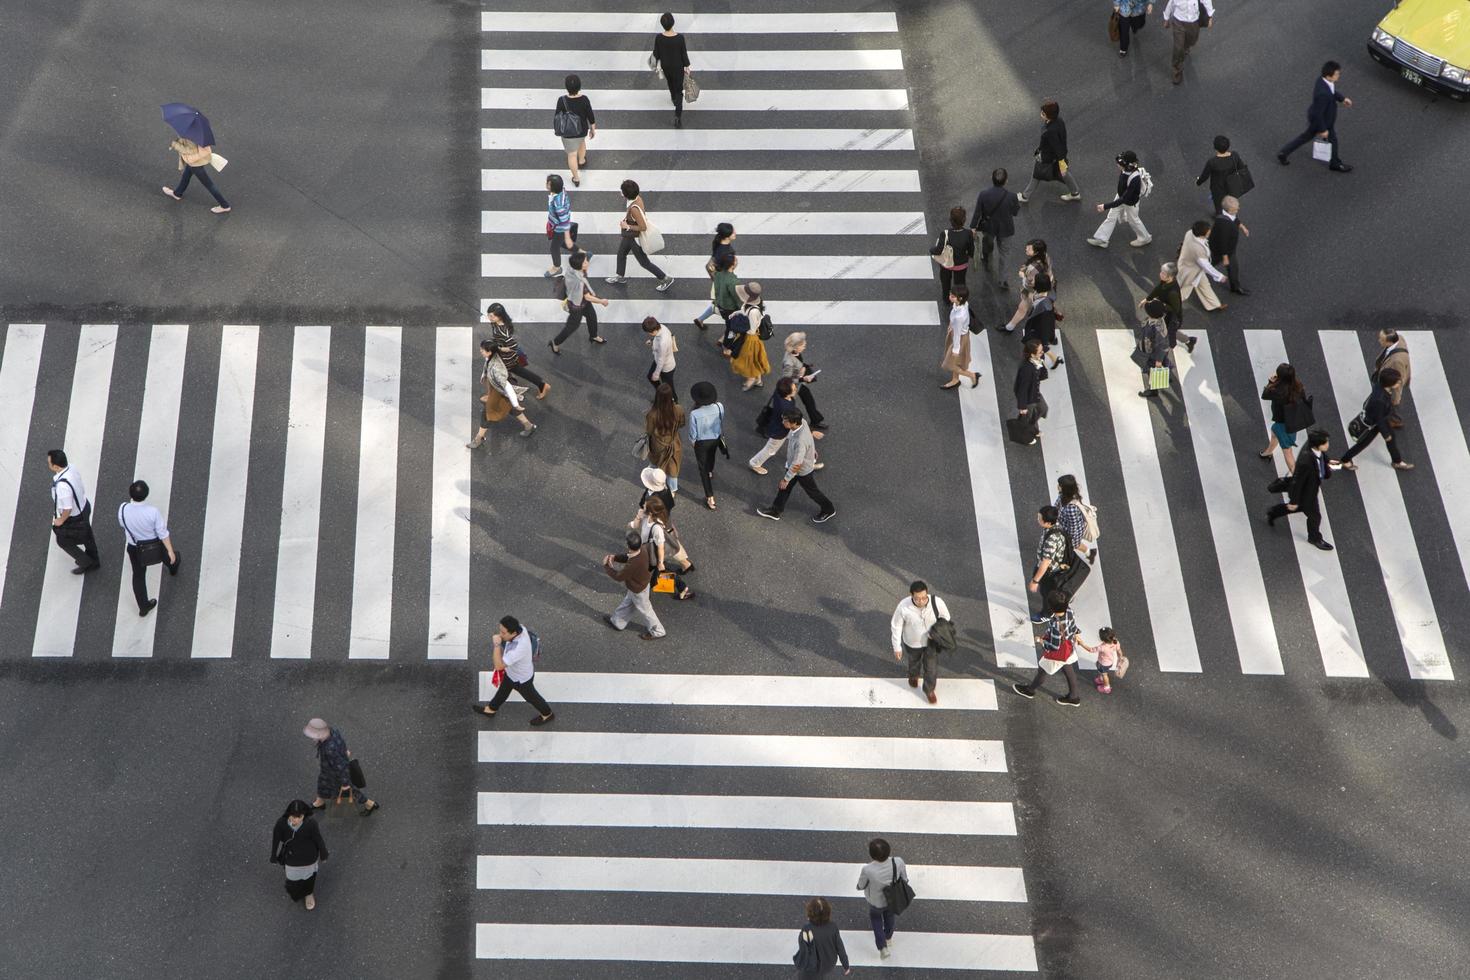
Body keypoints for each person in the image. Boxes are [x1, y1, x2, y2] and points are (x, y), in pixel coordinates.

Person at [756, 411, 835, 524]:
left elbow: (797, 464)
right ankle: (775, 511)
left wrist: (786, 479)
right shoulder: (802, 422)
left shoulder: (800, 441)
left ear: (793, 423)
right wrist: (811, 449)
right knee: (784, 489)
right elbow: (808, 436)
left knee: (812, 492)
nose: (783, 422)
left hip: (801, 471)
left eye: (785, 421)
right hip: (797, 468)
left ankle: (829, 509)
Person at [475, 616, 556, 724]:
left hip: (521, 680)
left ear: (513, 634)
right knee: (503, 691)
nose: (500, 634)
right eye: (500, 630)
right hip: (511, 673)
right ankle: (491, 709)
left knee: (532, 698)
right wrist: (502, 638)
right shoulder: (520, 628)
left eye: (503, 633)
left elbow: (499, 666)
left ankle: (547, 714)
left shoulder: (519, 649)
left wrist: (497, 645)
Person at [117, 479, 180, 617]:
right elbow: (162, 533)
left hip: (135, 547)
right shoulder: (153, 512)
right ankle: (173, 568)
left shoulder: (122, 509)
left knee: (138, 576)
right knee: (172, 558)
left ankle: (143, 607)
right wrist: (169, 550)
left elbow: (122, 524)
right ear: (146, 494)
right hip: (154, 545)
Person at [1278, 61, 1354, 172]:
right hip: (1322, 121)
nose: (1339, 76)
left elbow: (1332, 92)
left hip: (1320, 119)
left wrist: (1342, 99)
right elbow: (1318, 113)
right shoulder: (1323, 94)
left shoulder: (1323, 81)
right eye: (1337, 74)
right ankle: (1335, 163)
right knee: (1332, 139)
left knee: (1305, 137)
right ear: (1329, 76)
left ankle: (1283, 153)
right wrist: (1323, 129)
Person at [1012, 590, 1083, 706]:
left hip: (1057, 654)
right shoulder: (1070, 611)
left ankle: (1030, 690)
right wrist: (1077, 633)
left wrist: (1041, 641)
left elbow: (1054, 646)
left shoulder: (1056, 624)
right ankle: (1073, 697)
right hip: (1068, 647)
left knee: (1042, 671)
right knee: (1069, 670)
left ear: (1051, 607)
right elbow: (1073, 626)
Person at [1267, 429, 1334, 550]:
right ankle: (1314, 538)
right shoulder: (1306, 461)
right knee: (1315, 516)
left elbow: (1322, 457)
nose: (1328, 445)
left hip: (1310, 489)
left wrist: (1328, 463)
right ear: (1318, 445)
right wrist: (1293, 500)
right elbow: (1297, 482)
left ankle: (1274, 511)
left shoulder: (1315, 450)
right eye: (1325, 443)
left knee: (1300, 507)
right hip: (1306, 492)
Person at [1337, 367, 1413, 472]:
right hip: (1373, 424)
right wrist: (1386, 435)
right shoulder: (1380, 400)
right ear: (1389, 384)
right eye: (1397, 382)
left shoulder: (1380, 386)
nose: (1399, 383)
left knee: (1391, 438)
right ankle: (1345, 459)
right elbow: (1379, 419)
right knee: (1363, 444)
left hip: (1379, 418)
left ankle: (1397, 461)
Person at [891, 580, 952, 704]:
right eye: (917, 599)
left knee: (931, 668)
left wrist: (936, 631)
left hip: (931, 643)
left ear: (927, 594)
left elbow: (946, 617)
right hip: (912, 643)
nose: (921, 601)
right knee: (914, 662)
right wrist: (897, 646)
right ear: (911, 595)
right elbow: (896, 626)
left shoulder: (937, 602)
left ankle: (929, 689)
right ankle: (913, 675)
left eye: (924, 598)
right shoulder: (903, 606)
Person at [606, 180, 675, 290]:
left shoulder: (634, 209)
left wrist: (627, 226)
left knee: (644, 263)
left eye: (622, 191)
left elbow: (643, 227)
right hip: (629, 236)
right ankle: (620, 276)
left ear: (626, 194)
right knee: (621, 253)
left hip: (635, 238)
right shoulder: (637, 198)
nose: (621, 192)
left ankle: (665, 278)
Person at [467, 340, 536, 447]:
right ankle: (528, 426)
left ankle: (479, 439)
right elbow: (496, 349)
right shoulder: (493, 354)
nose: (480, 351)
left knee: (486, 413)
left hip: (502, 390)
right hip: (498, 388)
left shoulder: (496, 369)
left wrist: (516, 403)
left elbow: (507, 387)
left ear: (489, 352)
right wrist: (484, 375)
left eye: (482, 350)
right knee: (509, 407)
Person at [303, 718, 380, 814]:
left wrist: (345, 783)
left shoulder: (329, 750)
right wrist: (344, 751)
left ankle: (369, 804)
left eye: (313, 736)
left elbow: (341, 767)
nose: (312, 738)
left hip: (335, 774)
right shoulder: (332, 732)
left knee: (350, 791)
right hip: (327, 770)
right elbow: (341, 742)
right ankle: (320, 801)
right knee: (322, 784)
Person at [603, 530, 667, 639]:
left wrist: (606, 566)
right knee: (628, 603)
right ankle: (617, 622)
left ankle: (658, 631)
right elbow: (629, 556)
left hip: (638, 589)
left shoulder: (633, 564)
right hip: (642, 584)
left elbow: (619, 576)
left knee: (646, 610)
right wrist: (615, 557)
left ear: (629, 546)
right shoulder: (643, 549)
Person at [47, 449, 100, 573]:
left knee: (62, 541)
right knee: (87, 534)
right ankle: (94, 559)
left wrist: (61, 520)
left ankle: (86, 562)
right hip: (84, 506)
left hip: (75, 517)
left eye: (49, 463)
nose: (48, 464)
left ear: (55, 466)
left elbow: (68, 508)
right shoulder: (72, 468)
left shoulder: (62, 486)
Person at [1018, 100, 1081, 203]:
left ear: (1049, 115)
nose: (1041, 114)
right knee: (1063, 173)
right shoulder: (1059, 121)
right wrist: (1062, 160)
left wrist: (1059, 160)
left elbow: (1056, 146)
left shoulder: (1050, 131)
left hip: (1049, 157)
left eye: (1043, 113)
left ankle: (1025, 196)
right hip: (1059, 156)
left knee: (1037, 174)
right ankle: (1075, 193)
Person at [271, 800, 328, 911]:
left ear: (304, 815)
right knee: (292, 880)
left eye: (299, 816)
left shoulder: (311, 824)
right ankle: (300, 891)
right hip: (292, 859)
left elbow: (318, 839)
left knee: (309, 878)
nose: (295, 819)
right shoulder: (281, 824)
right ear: (288, 814)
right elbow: (276, 839)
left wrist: (323, 853)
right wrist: (273, 855)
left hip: (309, 858)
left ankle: (309, 894)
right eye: (293, 816)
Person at [1087, 151, 1151, 248]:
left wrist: (1105, 206)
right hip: (1122, 197)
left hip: (1130, 202)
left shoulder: (1134, 178)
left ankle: (1145, 238)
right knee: (1111, 216)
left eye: (1120, 164)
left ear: (1127, 165)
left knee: (1133, 220)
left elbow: (1125, 198)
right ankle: (1102, 239)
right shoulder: (1126, 169)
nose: (1118, 165)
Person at [486, 303, 550, 399]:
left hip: (506, 358)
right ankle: (541, 384)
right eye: (488, 315)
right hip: (506, 357)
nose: (489, 317)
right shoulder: (499, 323)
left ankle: (493, 396)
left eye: (491, 316)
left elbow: (512, 346)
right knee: (517, 371)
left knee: (495, 374)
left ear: (499, 317)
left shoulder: (503, 332)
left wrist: (498, 347)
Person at [856, 839, 908, 959]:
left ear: (872, 855)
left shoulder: (868, 869)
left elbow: (861, 884)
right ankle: (888, 938)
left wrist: (858, 887)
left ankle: (882, 947)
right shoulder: (898, 862)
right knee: (890, 917)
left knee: (876, 921)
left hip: (875, 901)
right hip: (892, 900)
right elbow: (904, 878)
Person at [970, 168, 1021, 289]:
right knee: (1004, 254)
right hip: (1006, 228)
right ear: (1006, 181)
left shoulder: (983, 194)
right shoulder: (1012, 196)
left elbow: (978, 212)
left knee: (988, 243)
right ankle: (1003, 280)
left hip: (989, 226)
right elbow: (1015, 212)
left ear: (991, 179)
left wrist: (973, 227)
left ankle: (986, 257)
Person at [549, 251, 609, 352]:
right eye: (585, 262)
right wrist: (602, 301)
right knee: (571, 328)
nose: (587, 263)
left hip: (582, 302)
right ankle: (555, 342)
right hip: (576, 307)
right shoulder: (579, 281)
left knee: (592, 318)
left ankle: (593, 336)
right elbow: (588, 297)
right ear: (579, 266)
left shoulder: (572, 268)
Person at [637, 495, 694, 601]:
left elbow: (661, 547)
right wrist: (638, 517)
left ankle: (646, 593)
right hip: (647, 551)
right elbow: (634, 526)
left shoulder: (657, 528)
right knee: (659, 573)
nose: (643, 504)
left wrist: (660, 562)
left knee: (654, 573)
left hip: (651, 554)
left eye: (645, 505)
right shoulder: (645, 516)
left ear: (650, 512)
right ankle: (682, 588)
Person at [1259, 363, 1312, 472]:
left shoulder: (1278, 391)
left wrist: (1270, 382)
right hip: (1291, 421)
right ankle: (1268, 452)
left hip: (1284, 425)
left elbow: (1264, 395)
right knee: (1274, 434)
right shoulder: (1298, 387)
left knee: (1288, 453)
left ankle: (1297, 479)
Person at [1027, 508, 1076, 623]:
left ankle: (1047, 614)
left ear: (1048, 523)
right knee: (1050, 590)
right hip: (1055, 566)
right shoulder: (1057, 526)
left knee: (1047, 594)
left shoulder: (1051, 540)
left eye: (1039, 518)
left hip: (1049, 572)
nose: (1037, 519)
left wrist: (1035, 581)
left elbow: (1045, 563)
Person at [162, 137, 230, 213]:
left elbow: (203, 151)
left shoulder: (198, 137)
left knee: (209, 185)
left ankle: (225, 205)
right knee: (186, 176)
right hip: (192, 163)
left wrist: (177, 146)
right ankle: (177, 193)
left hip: (196, 164)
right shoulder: (190, 133)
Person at [686, 381, 726, 510]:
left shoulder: (694, 414)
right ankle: (710, 471)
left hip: (701, 442)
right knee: (711, 456)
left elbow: (693, 432)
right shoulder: (719, 406)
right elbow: (721, 420)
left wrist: (693, 442)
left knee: (701, 468)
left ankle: (710, 496)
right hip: (715, 438)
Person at [749, 377, 801, 474]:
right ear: (787, 393)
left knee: (799, 440)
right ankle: (754, 463)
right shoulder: (785, 408)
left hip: (778, 426)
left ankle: (805, 459)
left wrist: (802, 379)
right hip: (780, 432)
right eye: (794, 389)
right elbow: (788, 424)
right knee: (770, 450)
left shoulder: (779, 393)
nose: (796, 390)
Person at [1142, 261, 1196, 354]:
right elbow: (1158, 289)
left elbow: (1176, 309)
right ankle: (1189, 340)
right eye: (1161, 272)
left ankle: (1188, 341)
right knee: (1167, 332)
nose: (1160, 274)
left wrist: (1162, 306)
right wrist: (1147, 299)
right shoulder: (1166, 282)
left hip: (1172, 318)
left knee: (1170, 334)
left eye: (1163, 273)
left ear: (1170, 277)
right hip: (1165, 314)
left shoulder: (1173, 293)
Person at [1001, 239, 1055, 333]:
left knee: (1023, 309)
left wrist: (1023, 275)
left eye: (1029, 248)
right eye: (1028, 246)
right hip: (1047, 288)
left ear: (1036, 252)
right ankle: (1009, 327)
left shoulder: (1033, 268)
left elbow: (1028, 284)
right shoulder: (1045, 256)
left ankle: (1009, 328)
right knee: (1043, 311)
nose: (1026, 248)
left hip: (1034, 293)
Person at [1176, 220, 1228, 312]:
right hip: (1191, 272)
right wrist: (1219, 276)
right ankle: (1167, 304)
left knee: (1204, 285)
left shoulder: (1189, 233)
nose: (1210, 231)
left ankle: (1214, 304)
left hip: (1190, 266)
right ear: (1201, 234)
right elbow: (1206, 266)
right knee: (1184, 291)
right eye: (1208, 231)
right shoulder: (1198, 249)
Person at [1159, 0, 1214, 86]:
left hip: (1194, 22)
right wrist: (1166, 19)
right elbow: (1170, 4)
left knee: (1192, 40)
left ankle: (1186, 46)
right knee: (1178, 48)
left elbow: (1207, 1)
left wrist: (1210, 16)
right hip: (1178, 22)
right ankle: (1176, 71)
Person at [651, 12, 692, 127]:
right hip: (678, 67)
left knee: (670, 82)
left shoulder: (659, 38)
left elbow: (656, 54)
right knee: (679, 90)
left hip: (666, 67)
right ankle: (677, 116)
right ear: (673, 23)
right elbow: (683, 54)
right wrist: (687, 66)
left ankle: (673, 97)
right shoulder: (679, 38)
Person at [794, 897, 851, 977]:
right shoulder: (833, 927)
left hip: (813, 965)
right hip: (829, 963)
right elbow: (840, 947)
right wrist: (846, 965)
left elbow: (803, 946)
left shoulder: (807, 929)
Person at [645, 382, 686, 493]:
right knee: (672, 467)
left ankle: (652, 484)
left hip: (658, 444)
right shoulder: (678, 409)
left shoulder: (652, 414)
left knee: (655, 463)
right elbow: (682, 424)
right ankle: (672, 490)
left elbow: (649, 431)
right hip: (673, 443)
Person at [694, 223, 737, 329]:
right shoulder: (726, 252)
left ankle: (700, 319)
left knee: (718, 303)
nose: (735, 233)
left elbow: (710, 265)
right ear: (727, 236)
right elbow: (710, 266)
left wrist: (715, 279)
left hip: (720, 279)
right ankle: (728, 334)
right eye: (733, 232)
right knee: (729, 307)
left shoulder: (718, 243)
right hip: (724, 281)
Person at [729, 282, 771, 391]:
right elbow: (744, 311)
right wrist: (736, 313)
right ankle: (758, 380)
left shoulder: (753, 312)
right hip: (750, 337)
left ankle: (751, 379)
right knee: (754, 359)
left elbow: (752, 330)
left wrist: (738, 326)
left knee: (747, 360)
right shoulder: (752, 305)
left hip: (750, 339)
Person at [782, 333, 827, 432]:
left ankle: (815, 420)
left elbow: (798, 363)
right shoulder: (788, 362)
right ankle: (784, 425)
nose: (804, 347)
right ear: (795, 347)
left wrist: (804, 366)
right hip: (790, 387)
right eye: (802, 346)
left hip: (798, 384)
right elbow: (786, 379)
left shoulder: (795, 353)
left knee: (809, 400)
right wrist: (803, 379)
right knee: (787, 408)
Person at [556, 75, 595, 186]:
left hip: (568, 132)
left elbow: (557, 116)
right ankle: (582, 161)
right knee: (582, 142)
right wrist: (593, 128)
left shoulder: (562, 100)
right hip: (581, 129)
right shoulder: (584, 99)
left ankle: (576, 178)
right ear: (579, 86)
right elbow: (590, 115)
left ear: (566, 87)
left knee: (572, 154)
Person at [930, 206, 975, 302]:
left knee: (945, 282)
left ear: (951, 220)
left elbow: (938, 250)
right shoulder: (968, 233)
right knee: (959, 284)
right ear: (964, 220)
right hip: (961, 265)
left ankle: (946, 299)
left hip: (947, 264)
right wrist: (970, 255)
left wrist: (931, 250)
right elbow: (971, 250)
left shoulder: (945, 233)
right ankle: (958, 300)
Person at [940, 286, 981, 390]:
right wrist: (951, 324)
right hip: (959, 335)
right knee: (956, 362)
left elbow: (957, 334)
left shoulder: (959, 317)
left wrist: (955, 349)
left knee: (949, 364)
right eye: (950, 294)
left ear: (960, 298)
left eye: (953, 296)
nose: (950, 297)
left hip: (959, 339)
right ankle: (955, 379)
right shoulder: (963, 304)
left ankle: (972, 375)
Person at [1209, 195, 1249, 296]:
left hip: (1228, 249)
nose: (1238, 208)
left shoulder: (1226, 215)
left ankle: (1235, 287)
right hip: (1222, 250)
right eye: (1236, 208)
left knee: (1233, 267)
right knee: (1209, 264)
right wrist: (1225, 256)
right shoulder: (1225, 225)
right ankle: (1193, 273)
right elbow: (1223, 242)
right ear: (1230, 210)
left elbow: (1235, 219)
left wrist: (1242, 227)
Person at [1054, 474, 1097, 566]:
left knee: (1071, 546)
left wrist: (1069, 540)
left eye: (1060, 485)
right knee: (1076, 545)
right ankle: (1090, 553)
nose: (1057, 486)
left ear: (1065, 488)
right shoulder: (1064, 495)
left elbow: (1074, 527)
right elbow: (1057, 505)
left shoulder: (1071, 508)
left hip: (1070, 534)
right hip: (1063, 528)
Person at [1136, 300, 1175, 399]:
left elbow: (1162, 345)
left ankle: (1153, 390)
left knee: (1151, 370)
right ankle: (1166, 375)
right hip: (1154, 350)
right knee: (1164, 363)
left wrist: (1158, 361)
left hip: (1154, 353)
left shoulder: (1157, 328)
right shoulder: (1157, 319)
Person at [1013, 338, 1049, 446]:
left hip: (1034, 392)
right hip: (1028, 397)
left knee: (1043, 409)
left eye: (1042, 350)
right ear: (1032, 354)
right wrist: (1022, 406)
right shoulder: (1027, 369)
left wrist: (1041, 364)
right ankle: (1024, 435)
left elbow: (1042, 376)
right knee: (1026, 417)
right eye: (1040, 352)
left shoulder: (1037, 361)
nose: (1042, 353)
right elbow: (1022, 389)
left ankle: (1031, 427)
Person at [1374, 329, 1411, 429]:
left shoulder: (1397, 361)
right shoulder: (1399, 339)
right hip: (1385, 373)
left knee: (1392, 405)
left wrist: (1395, 399)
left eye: (1381, 340)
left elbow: (1399, 381)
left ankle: (1396, 420)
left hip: (1388, 383)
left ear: (1390, 342)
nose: (1379, 341)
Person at [1023, 274, 1061, 369]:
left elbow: (1044, 326)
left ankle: (1049, 361)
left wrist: (1044, 342)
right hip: (1044, 322)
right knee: (1042, 342)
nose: (1033, 282)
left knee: (1034, 346)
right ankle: (1052, 342)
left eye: (1035, 281)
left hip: (1038, 327)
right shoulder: (1050, 291)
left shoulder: (1044, 306)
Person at [1196, 135, 1242, 213]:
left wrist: (1198, 182)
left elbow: (1205, 176)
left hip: (1218, 188)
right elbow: (1241, 167)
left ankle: (1220, 215)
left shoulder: (1213, 162)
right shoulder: (1235, 155)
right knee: (1229, 200)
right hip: (1231, 185)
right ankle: (1229, 211)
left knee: (1218, 204)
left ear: (1215, 147)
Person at [543, 174, 576, 278]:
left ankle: (557, 268)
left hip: (559, 228)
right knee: (562, 244)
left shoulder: (558, 204)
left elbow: (564, 219)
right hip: (557, 225)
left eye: (548, 183)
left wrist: (566, 233)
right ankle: (583, 254)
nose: (546, 185)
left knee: (554, 247)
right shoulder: (560, 191)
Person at [1078, 627, 1124, 694]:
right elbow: (1119, 651)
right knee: (1103, 672)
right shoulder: (1116, 642)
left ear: (1102, 639)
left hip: (1103, 664)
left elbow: (1090, 650)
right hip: (1110, 662)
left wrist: (1082, 644)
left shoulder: (1102, 647)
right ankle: (1101, 679)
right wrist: (1121, 657)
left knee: (1104, 674)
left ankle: (1106, 687)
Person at [644, 316, 678, 396]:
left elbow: (661, 360)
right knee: (650, 377)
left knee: (669, 388)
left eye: (649, 332)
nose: (649, 334)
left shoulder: (663, 343)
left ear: (654, 330)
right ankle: (662, 395)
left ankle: (674, 401)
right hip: (659, 360)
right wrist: (652, 341)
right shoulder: (661, 327)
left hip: (666, 367)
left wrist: (656, 374)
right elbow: (658, 337)